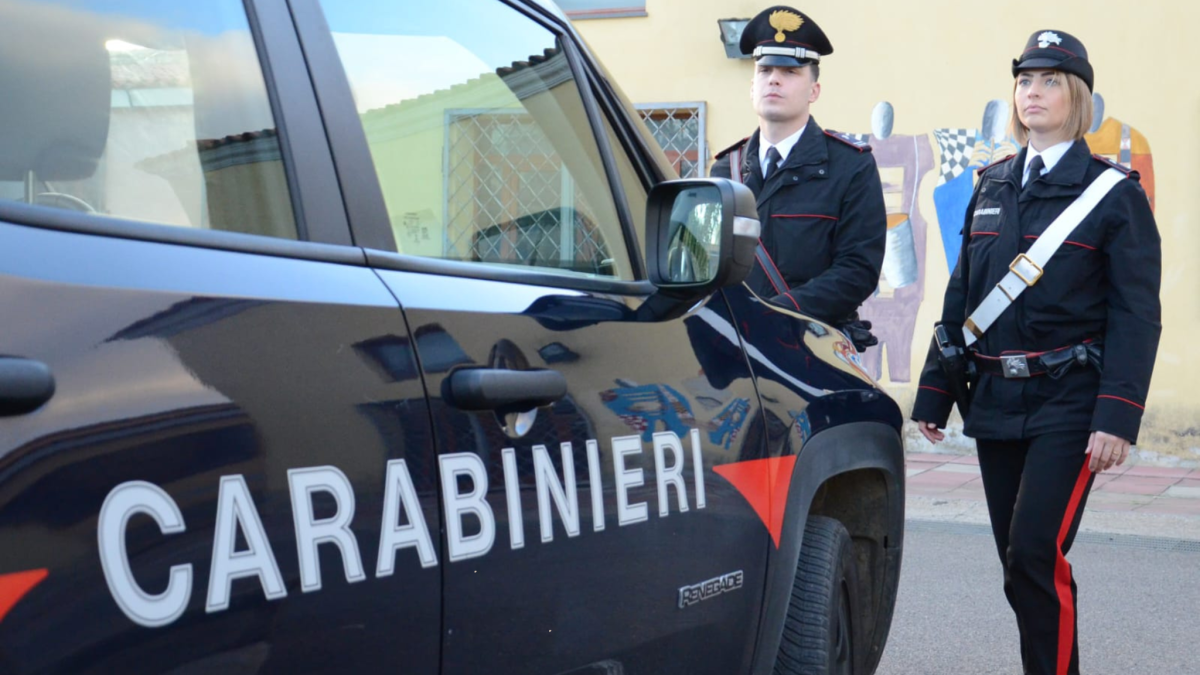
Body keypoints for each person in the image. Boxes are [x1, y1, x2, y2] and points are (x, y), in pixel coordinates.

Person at [912, 29, 1161, 675]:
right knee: (1018, 565)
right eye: (1025, 80)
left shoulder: (1114, 195)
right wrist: (936, 390)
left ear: (1077, 97)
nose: (1033, 92)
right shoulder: (991, 184)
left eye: (1050, 81)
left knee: (1033, 552)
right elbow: (962, 291)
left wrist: (1117, 414)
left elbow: (1136, 312)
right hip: (996, 398)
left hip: (1071, 402)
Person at [711, 6, 885, 349]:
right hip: (738, 347)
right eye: (764, 70)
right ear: (752, 86)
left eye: (789, 71)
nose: (773, 79)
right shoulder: (725, 169)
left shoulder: (850, 166)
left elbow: (857, 270)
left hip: (813, 347)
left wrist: (777, 313)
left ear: (814, 91)